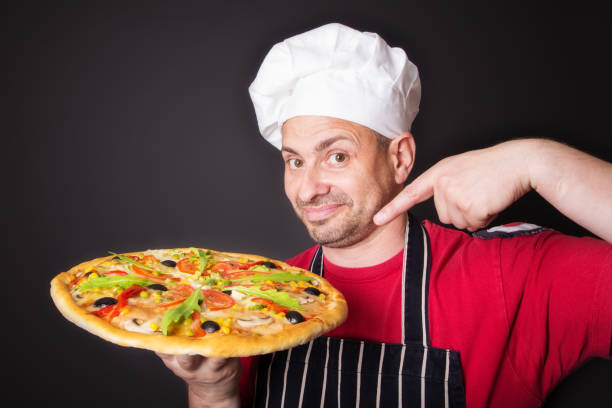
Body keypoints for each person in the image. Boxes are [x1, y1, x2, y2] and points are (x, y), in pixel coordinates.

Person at [158, 23, 612, 408]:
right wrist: (212, 392)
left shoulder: (510, 276)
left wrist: (540, 162)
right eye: (294, 161)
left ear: (399, 159)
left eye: (336, 156)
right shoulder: (257, 297)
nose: (308, 186)